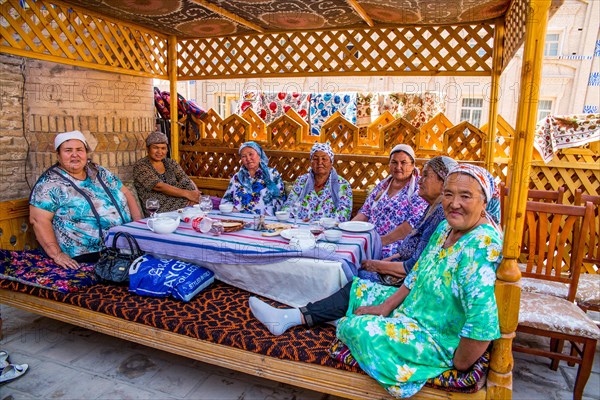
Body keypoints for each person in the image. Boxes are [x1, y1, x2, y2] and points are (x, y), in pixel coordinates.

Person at [251, 164, 503, 398]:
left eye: (465, 196)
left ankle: (355, 323)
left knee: (354, 328)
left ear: (484, 202)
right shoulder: (446, 229)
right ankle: (288, 317)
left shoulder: (480, 246)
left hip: (435, 335)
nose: (454, 203)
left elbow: (482, 322)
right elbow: (416, 275)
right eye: (449, 194)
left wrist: (458, 364)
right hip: (414, 306)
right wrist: (384, 307)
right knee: (357, 288)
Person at [249, 155, 459, 334]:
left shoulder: (440, 214)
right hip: (395, 263)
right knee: (351, 267)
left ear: (443, 183)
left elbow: (413, 267)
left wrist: (376, 264)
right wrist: (384, 260)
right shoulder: (431, 208)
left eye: (426, 175)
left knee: (356, 278)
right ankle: (321, 310)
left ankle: (292, 316)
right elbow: (412, 252)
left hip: (407, 285)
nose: (420, 180)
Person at [30, 131, 142, 268]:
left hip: (125, 243)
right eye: (68, 150)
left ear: (86, 153)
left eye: (79, 150)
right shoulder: (49, 184)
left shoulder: (99, 172)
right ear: (58, 155)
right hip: (87, 254)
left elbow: (126, 193)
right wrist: (57, 254)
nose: (74, 155)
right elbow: (38, 220)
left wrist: (137, 226)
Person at [353, 144, 428, 257]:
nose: (398, 167)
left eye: (403, 162)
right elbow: (365, 212)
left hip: (395, 244)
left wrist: (381, 241)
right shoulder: (383, 185)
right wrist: (347, 229)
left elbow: (411, 225)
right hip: (371, 239)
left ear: (413, 165)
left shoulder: (418, 188)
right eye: (394, 162)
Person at [134, 131, 201, 216]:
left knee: (203, 202)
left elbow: (185, 179)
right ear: (147, 148)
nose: (159, 152)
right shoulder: (141, 166)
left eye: (163, 148)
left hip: (178, 201)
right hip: (157, 207)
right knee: (203, 207)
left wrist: (195, 194)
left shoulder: (170, 163)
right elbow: (158, 186)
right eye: (155, 148)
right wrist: (188, 194)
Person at [282, 142, 353, 222]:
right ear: (311, 162)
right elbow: (288, 205)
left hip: (328, 231)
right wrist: (297, 221)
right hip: (301, 229)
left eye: (324, 159)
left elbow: (344, 215)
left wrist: (316, 223)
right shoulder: (301, 181)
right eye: (315, 159)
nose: (319, 162)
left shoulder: (343, 185)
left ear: (331, 162)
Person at [220, 141, 286, 216]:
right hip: (239, 219)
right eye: (244, 156)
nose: (248, 158)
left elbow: (280, 199)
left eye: (251, 154)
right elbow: (225, 201)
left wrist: (267, 214)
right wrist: (233, 211)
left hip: (264, 219)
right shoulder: (237, 177)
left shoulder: (272, 174)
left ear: (259, 155)